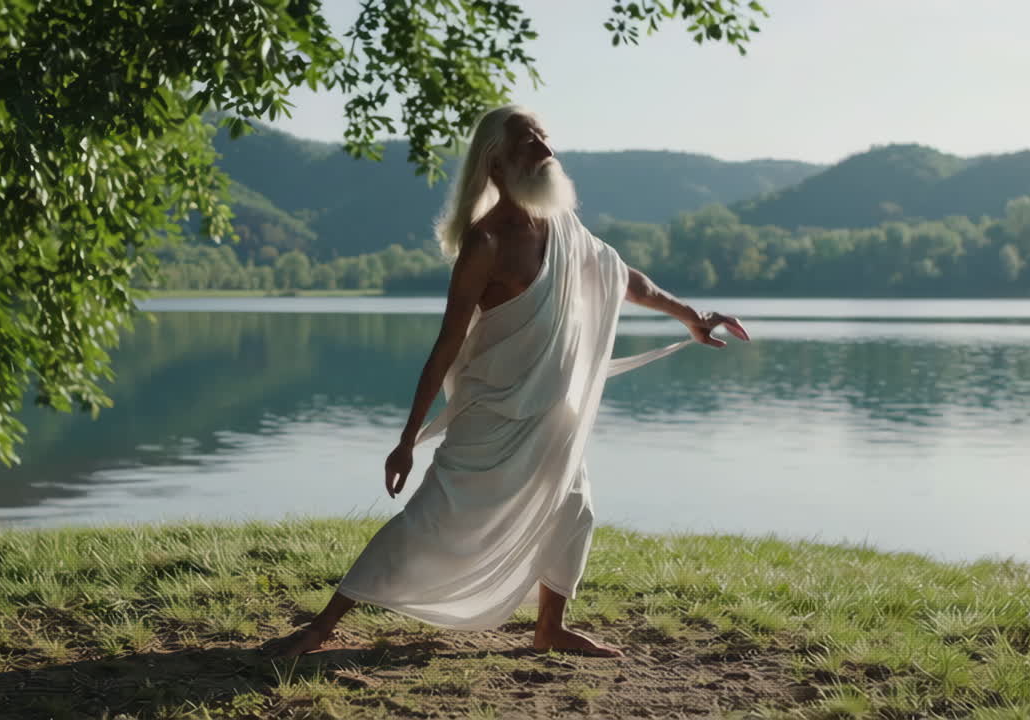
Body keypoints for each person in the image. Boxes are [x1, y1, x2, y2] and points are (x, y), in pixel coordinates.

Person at [261, 104, 749, 659]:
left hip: (554, 414)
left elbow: (621, 277)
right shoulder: (486, 243)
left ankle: (550, 627)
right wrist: (406, 439)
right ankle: (322, 627)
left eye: (545, 137)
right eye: (528, 143)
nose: (546, 151)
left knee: (573, 508)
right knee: (431, 520)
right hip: (492, 415)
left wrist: (690, 315)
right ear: (496, 162)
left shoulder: (562, 225)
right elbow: (446, 343)